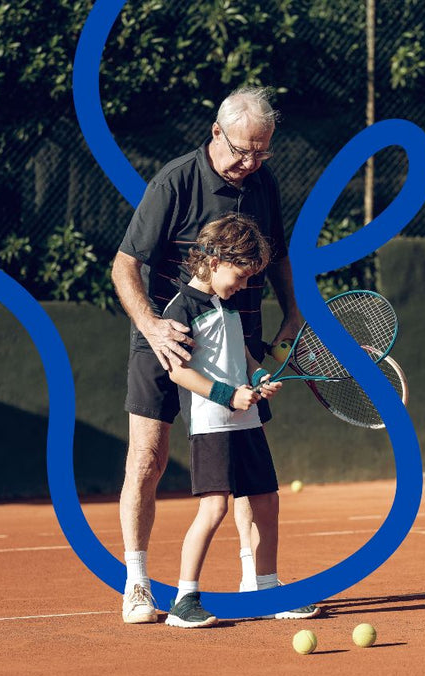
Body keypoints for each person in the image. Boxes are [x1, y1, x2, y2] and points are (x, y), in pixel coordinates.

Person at [112, 87, 306, 624]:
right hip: (165, 333)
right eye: (243, 150)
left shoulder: (263, 181)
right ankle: (137, 584)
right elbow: (125, 265)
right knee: (148, 459)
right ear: (217, 133)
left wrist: (291, 317)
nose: (251, 162)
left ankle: (256, 581)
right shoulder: (175, 181)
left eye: (262, 151)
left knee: (248, 463)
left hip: (236, 333)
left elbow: (281, 256)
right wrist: (151, 327)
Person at [162, 215, 282, 627]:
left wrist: (257, 376)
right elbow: (179, 371)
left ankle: (267, 590)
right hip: (212, 424)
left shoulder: (227, 306)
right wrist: (227, 395)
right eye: (241, 274)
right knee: (214, 508)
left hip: (245, 422)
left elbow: (244, 355)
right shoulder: (180, 308)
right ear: (214, 261)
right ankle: (184, 600)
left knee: (267, 501)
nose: (245, 285)